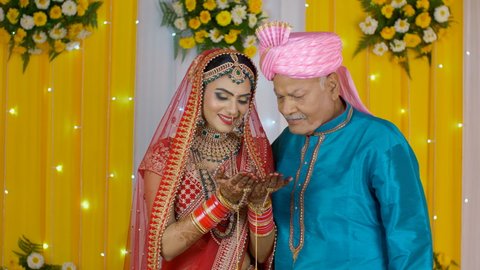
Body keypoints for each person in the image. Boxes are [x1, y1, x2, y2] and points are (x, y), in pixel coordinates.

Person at [255, 22, 433, 269]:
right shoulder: (286, 142)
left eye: (297, 96)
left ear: (331, 85)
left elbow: (410, 239)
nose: (286, 108)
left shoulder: (380, 141)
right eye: (280, 96)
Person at [125, 48, 289, 270]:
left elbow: (261, 255)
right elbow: (166, 247)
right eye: (222, 96)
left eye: (242, 100)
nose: (233, 109)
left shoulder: (255, 152)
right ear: (199, 92)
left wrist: (261, 206)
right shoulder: (166, 156)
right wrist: (221, 203)